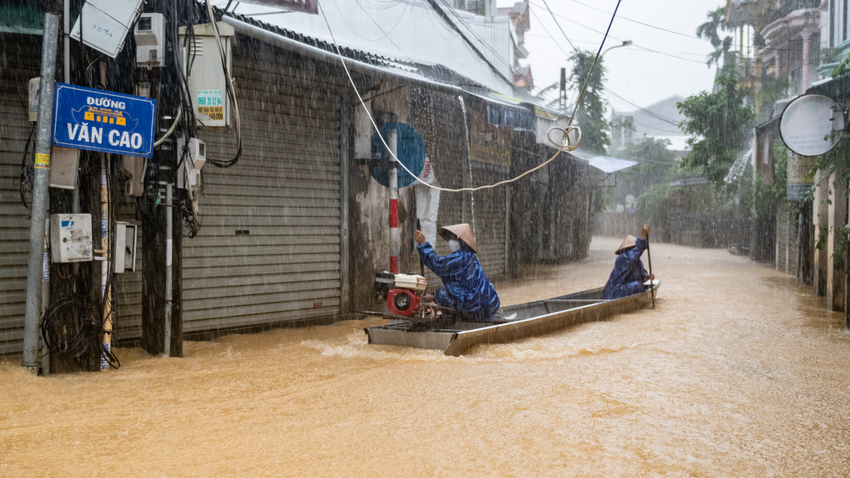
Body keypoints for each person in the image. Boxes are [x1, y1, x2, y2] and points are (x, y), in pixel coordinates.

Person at [414, 223, 501, 322]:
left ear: (460, 240)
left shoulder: (462, 257)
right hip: (488, 303)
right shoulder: (469, 257)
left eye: (452, 238)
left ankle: (457, 318)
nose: (450, 241)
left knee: (443, 295)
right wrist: (433, 297)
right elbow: (456, 286)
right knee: (444, 291)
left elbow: (437, 265)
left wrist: (424, 244)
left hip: (476, 306)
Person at [604, 224, 656, 300]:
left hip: (623, 290)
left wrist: (647, 277)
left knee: (639, 284)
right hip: (615, 292)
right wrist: (643, 235)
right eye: (633, 248)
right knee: (638, 285)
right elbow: (635, 253)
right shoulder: (623, 258)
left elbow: (640, 276)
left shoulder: (637, 262)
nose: (634, 250)